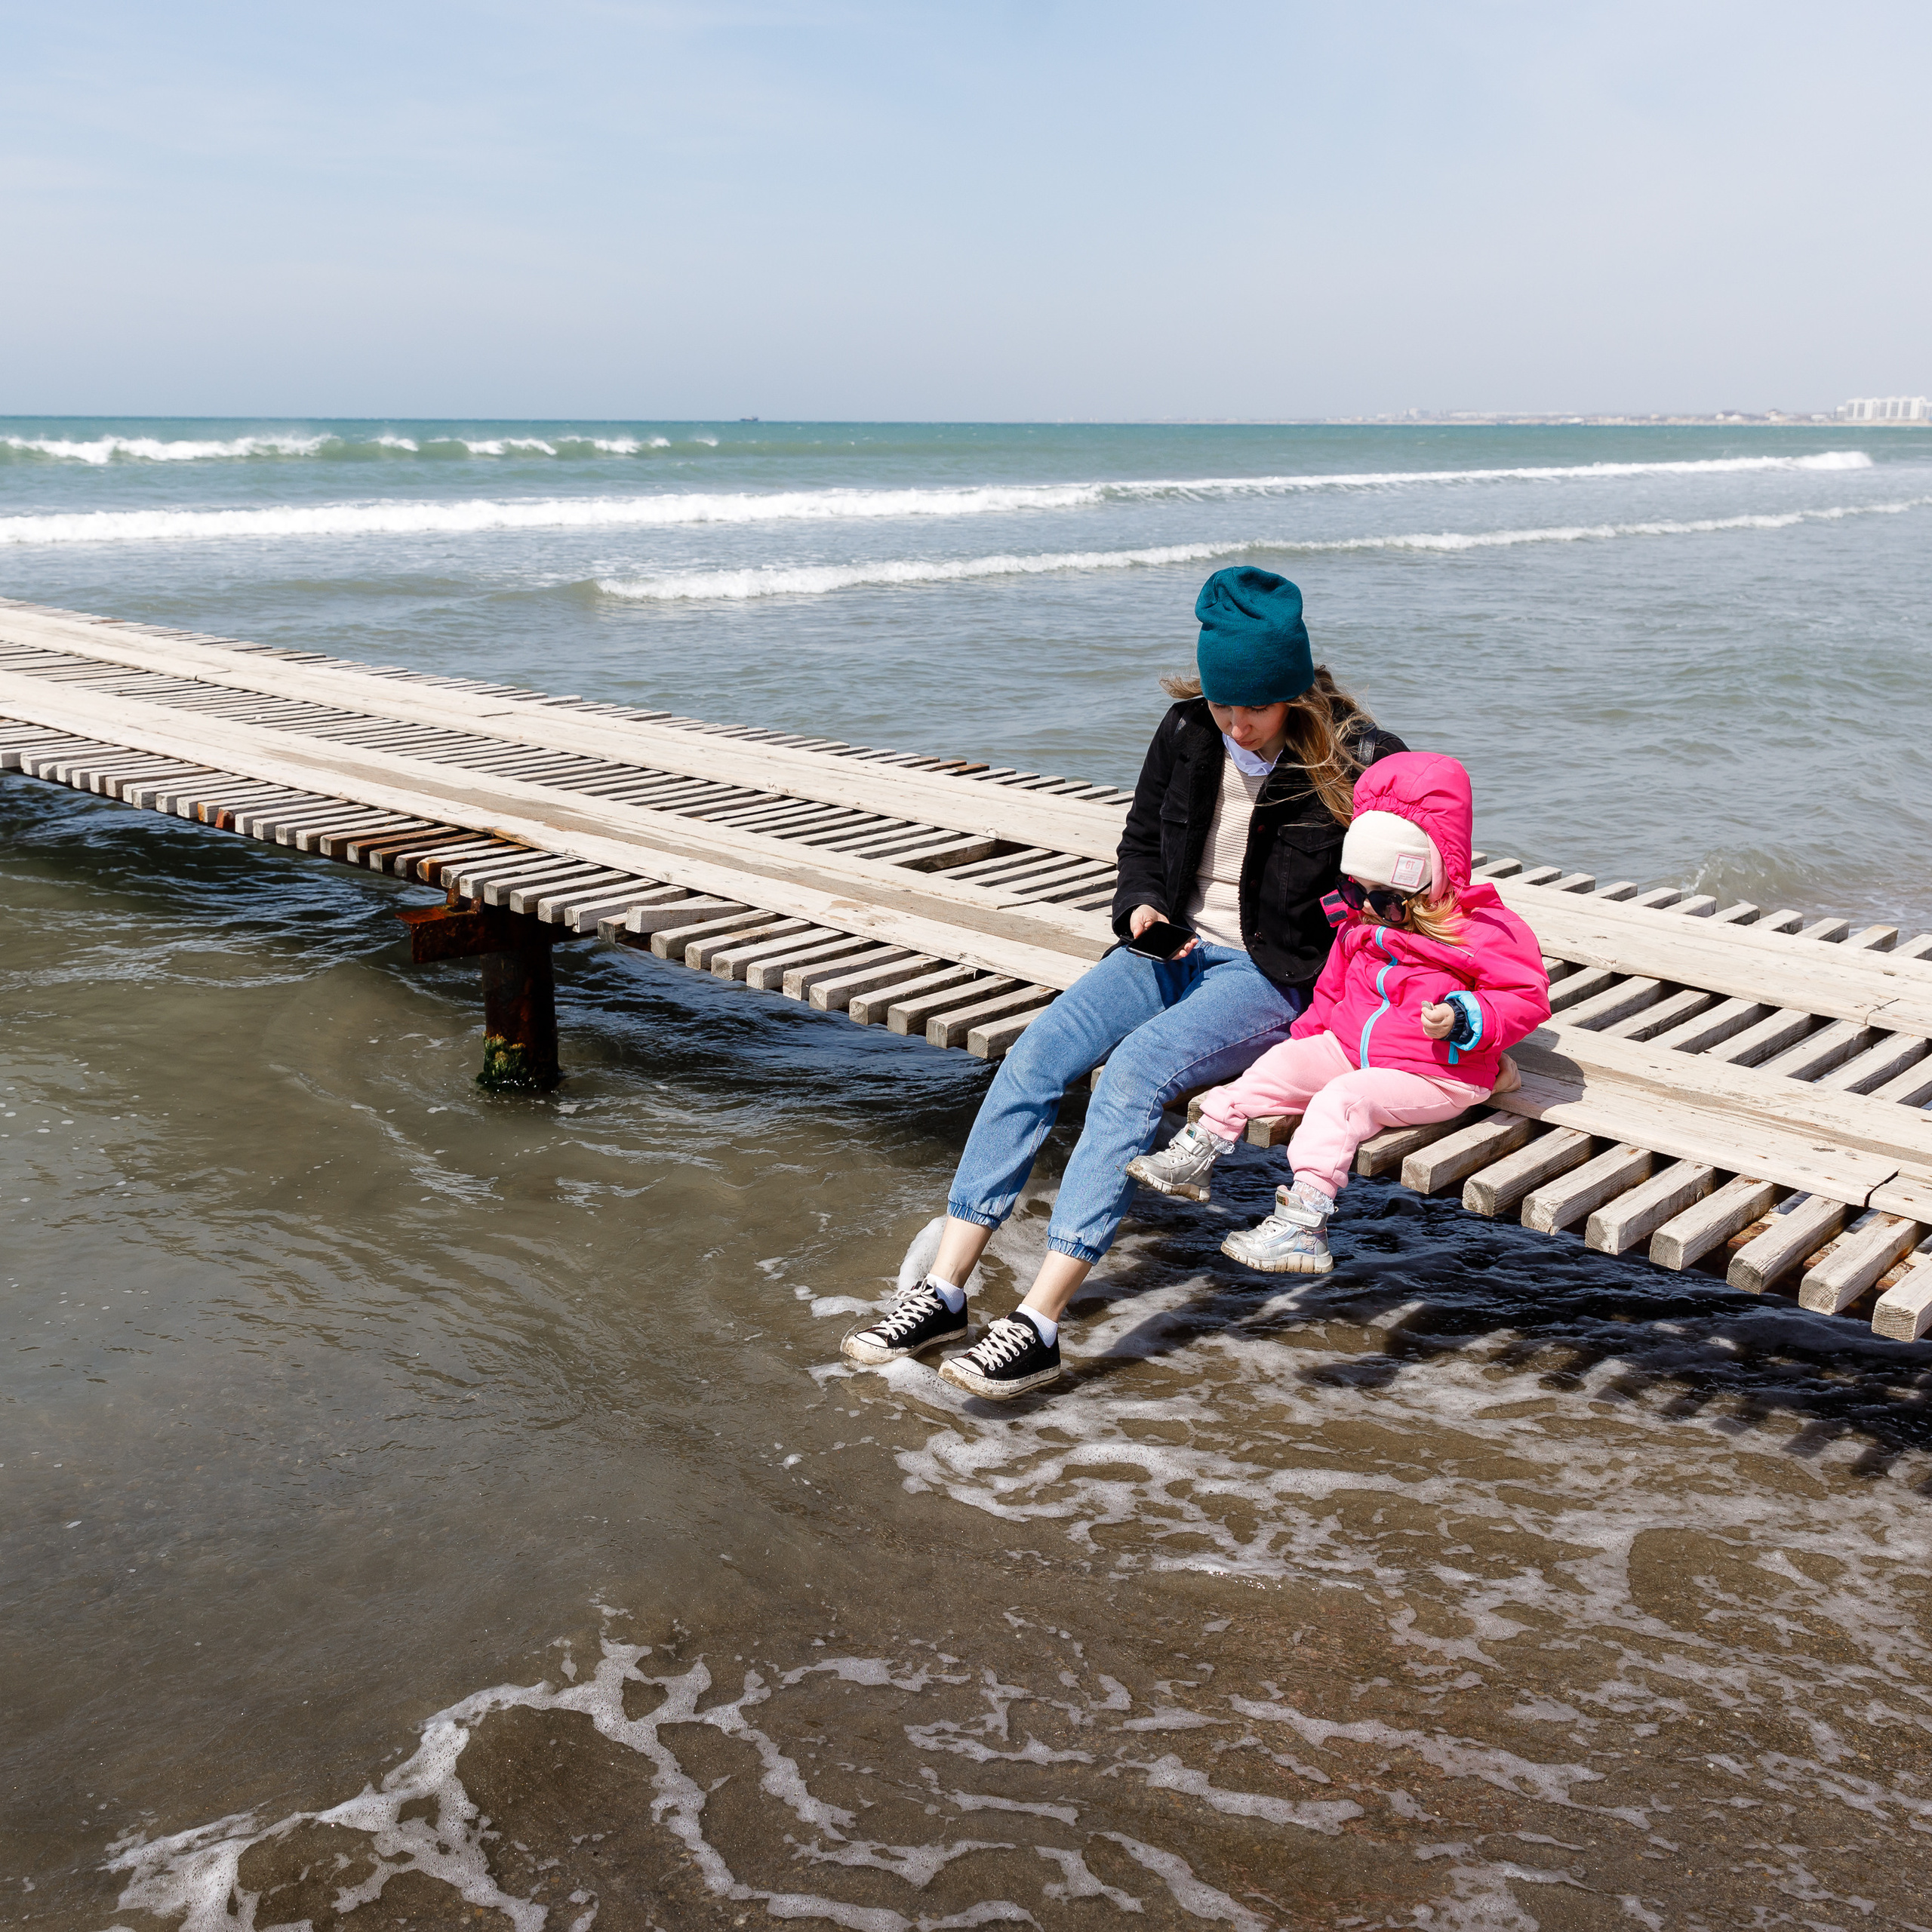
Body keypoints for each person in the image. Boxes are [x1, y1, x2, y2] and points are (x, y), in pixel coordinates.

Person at [841, 565, 1405, 1399]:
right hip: (1167, 949)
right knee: (1034, 1058)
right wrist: (1141, 904)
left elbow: (1417, 875)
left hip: (1268, 975)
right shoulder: (1186, 730)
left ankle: (1037, 1323)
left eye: (1255, 707)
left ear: (1292, 690)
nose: (1237, 723)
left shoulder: (1360, 759)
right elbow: (1141, 842)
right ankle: (945, 1291)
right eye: (1223, 703)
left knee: (1133, 1074)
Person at [1126, 751, 1550, 1272]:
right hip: (1351, 1049)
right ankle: (1200, 1151)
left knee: (1343, 1102)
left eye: (1387, 900)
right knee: (1277, 1065)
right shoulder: (1360, 922)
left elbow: (1525, 995)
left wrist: (1464, 1016)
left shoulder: (1481, 931)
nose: (1367, 907)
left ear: (1431, 880)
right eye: (1355, 889)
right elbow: (1331, 993)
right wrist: (1304, 1044)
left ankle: (1305, 1227)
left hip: (1434, 1070)